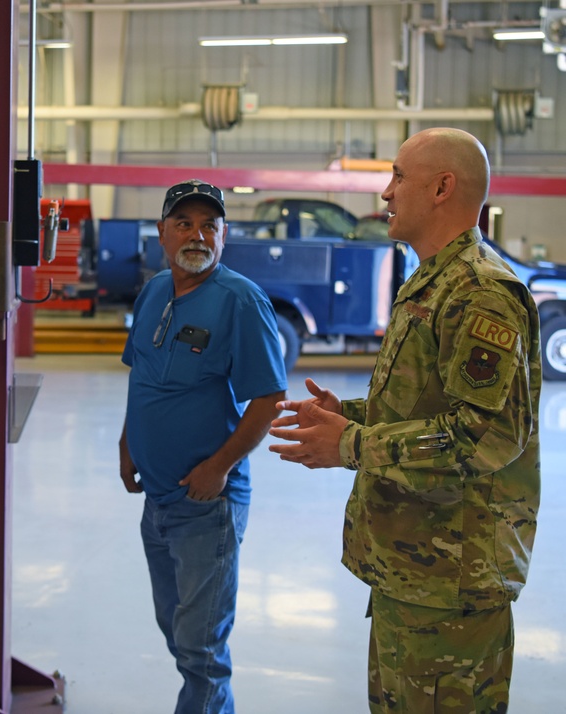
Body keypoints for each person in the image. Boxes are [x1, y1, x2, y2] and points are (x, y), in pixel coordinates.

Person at [268, 128, 541, 713]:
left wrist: (354, 445)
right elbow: (424, 410)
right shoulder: (432, 278)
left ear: (443, 187)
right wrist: (350, 416)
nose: (386, 193)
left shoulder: (480, 292)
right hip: (413, 570)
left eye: (397, 177)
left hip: (454, 581)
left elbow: (487, 437)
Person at [118, 179, 287, 713]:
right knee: (178, 634)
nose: (198, 235)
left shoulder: (240, 300)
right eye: (185, 224)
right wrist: (128, 441)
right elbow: (140, 375)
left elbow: (268, 400)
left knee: (201, 651)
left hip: (205, 505)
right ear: (163, 234)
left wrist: (218, 468)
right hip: (158, 500)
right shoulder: (152, 292)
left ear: (225, 235)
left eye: (210, 225)